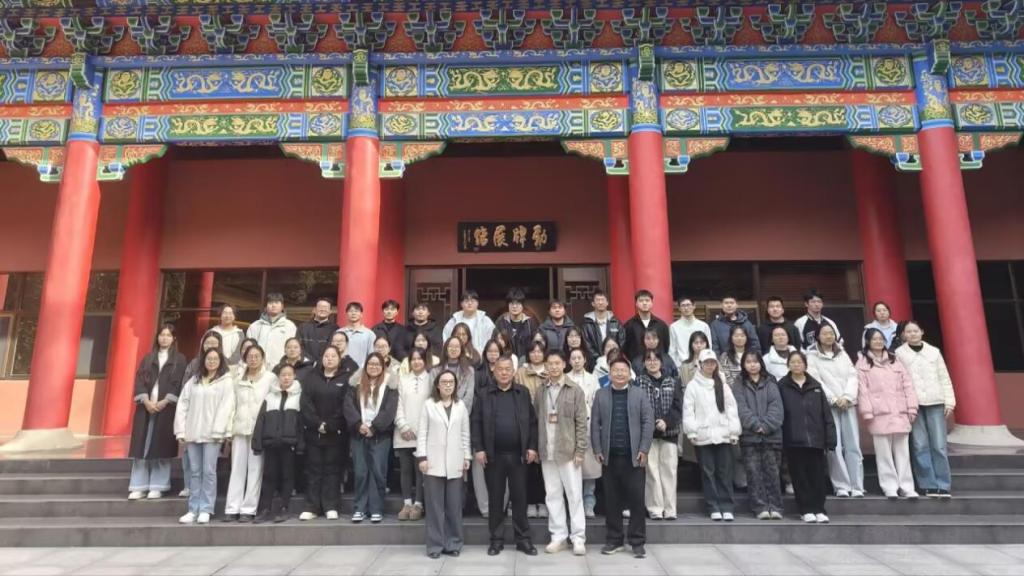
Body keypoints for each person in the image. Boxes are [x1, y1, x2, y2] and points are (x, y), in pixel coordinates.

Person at [472, 355, 539, 557]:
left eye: (507, 369)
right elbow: (476, 422)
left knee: (520, 498)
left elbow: (532, 422)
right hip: (493, 457)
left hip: (518, 456)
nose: (503, 372)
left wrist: (532, 447)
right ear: (493, 370)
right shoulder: (484, 394)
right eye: (500, 369)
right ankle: (496, 540)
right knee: (495, 499)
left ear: (513, 371)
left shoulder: (522, 392)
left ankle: (523, 540)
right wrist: (479, 448)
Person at [591, 354, 654, 558]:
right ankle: (614, 540)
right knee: (612, 501)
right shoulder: (601, 394)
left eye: (623, 370)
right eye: (615, 370)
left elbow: (648, 422)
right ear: (609, 373)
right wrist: (597, 449)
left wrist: (644, 449)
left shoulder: (639, 394)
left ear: (629, 373)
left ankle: (637, 541)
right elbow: (595, 424)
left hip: (634, 458)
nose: (619, 373)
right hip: (609, 457)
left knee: (636, 501)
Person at [535, 351, 588, 556]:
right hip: (547, 450)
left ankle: (578, 538)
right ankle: (558, 536)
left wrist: (580, 450)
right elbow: (537, 418)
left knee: (574, 495)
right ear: (546, 366)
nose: (554, 367)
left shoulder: (575, 390)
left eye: (557, 363)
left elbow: (581, 423)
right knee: (552, 495)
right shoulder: (541, 390)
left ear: (564, 364)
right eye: (550, 364)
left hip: (568, 451)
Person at [895, 320, 955, 498]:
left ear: (922, 332)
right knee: (919, 445)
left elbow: (944, 377)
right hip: (914, 404)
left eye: (915, 330)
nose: (912, 334)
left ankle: (943, 484)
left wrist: (949, 401)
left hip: (936, 401)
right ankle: (928, 483)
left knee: (939, 445)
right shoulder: (899, 354)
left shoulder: (934, 352)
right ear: (904, 335)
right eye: (908, 331)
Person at [174, 348, 234, 524]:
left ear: (220, 362)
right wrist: (181, 430)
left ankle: (206, 508)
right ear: (203, 361)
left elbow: (227, 407)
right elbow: (183, 405)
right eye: (209, 358)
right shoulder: (194, 381)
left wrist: (219, 430)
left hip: (212, 435)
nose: (212, 361)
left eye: (215, 359)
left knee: (209, 472)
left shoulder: (225, 381)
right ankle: (193, 509)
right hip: (193, 432)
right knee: (195, 472)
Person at [128, 324, 187, 501]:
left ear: (174, 339)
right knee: (142, 448)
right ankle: (139, 486)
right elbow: (139, 381)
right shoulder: (148, 358)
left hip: (166, 408)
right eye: (162, 335)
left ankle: (158, 485)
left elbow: (179, 384)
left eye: (168, 335)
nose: (164, 338)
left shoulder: (179, 360)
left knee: (160, 447)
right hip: (145, 408)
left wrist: (165, 401)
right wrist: (146, 401)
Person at [858, 328, 919, 499]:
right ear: (868, 342)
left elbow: (908, 385)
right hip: (879, 413)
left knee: (903, 452)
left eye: (881, 339)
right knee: (883, 453)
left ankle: (907, 486)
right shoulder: (862, 363)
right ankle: (889, 486)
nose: (878, 342)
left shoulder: (895, 360)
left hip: (899, 411)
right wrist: (867, 411)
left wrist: (912, 407)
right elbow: (862, 390)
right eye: (874, 339)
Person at [418, 370, 472, 559]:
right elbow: (422, 433)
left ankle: (453, 543)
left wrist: (467, 457)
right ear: (437, 385)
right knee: (434, 507)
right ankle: (435, 546)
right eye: (444, 382)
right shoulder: (429, 405)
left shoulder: (460, 406)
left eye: (451, 382)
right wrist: (422, 457)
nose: (448, 385)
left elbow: (465, 434)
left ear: (455, 385)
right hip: (433, 461)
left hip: (455, 461)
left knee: (454, 507)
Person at [778, 351, 837, 523]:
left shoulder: (816, 386)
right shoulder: (782, 386)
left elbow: (826, 414)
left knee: (817, 476)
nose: (796, 365)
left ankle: (819, 509)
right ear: (788, 365)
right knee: (800, 477)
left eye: (799, 362)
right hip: (793, 440)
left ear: (805, 364)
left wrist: (830, 438)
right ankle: (805, 510)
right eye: (793, 362)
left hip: (815, 439)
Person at [807, 323, 864, 498]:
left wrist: (847, 397)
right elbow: (816, 380)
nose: (828, 336)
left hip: (847, 404)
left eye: (831, 333)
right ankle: (841, 485)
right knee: (834, 446)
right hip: (829, 406)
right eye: (824, 333)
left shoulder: (843, 354)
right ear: (818, 336)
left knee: (853, 445)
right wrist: (833, 399)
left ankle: (857, 485)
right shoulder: (812, 357)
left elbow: (853, 376)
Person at [683, 349, 741, 522]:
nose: (710, 366)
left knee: (725, 472)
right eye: (706, 363)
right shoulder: (693, 386)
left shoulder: (722, 384)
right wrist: (691, 431)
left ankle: (727, 506)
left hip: (723, 434)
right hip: (703, 435)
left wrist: (734, 431)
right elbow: (688, 410)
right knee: (708, 472)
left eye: (712, 363)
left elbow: (731, 409)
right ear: (700, 365)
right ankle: (713, 506)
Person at [344, 352, 398, 523]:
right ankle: (360, 508)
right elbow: (348, 406)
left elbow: (390, 409)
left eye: (377, 364)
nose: (373, 367)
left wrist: (374, 428)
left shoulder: (390, 385)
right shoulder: (355, 383)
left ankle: (376, 508)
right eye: (370, 364)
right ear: (365, 366)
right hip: (359, 434)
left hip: (380, 435)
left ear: (383, 367)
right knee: (360, 472)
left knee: (378, 472)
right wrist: (358, 424)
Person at [224, 345, 274, 522]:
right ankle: (232, 507)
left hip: (258, 430)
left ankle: (248, 508)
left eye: (256, 356)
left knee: (255, 470)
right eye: (250, 356)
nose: (253, 359)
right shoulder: (237, 378)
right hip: (239, 428)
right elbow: (231, 404)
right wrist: (228, 429)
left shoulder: (270, 378)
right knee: (237, 469)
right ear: (245, 358)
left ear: (262, 358)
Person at [733, 350, 784, 520]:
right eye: (748, 362)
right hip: (750, 436)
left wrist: (766, 426)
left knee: (773, 473)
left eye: (755, 361)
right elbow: (740, 407)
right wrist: (755, 425)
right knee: (754, 473)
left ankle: (775, 506)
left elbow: (776, 407)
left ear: (761, 363)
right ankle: (760, 507)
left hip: (771, 436)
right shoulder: (739, 383)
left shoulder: (770, 381)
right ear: (743, 364)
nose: (752, 365)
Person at [299, 346, 348, 521]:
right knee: (314, 469)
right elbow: (305, 402)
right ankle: (312, 507)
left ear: (339, 359)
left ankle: (330, 506)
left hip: (335, 433)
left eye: (333, 356)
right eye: (326, 356)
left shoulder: (345, 378)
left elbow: (345, 405)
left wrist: (330, 425)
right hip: (314, 432)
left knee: (332, 470)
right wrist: (317, 423)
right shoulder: (312, 377)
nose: (329, 359)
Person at [252, 363, 304, 524]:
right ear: (278, 377)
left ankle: (284, 508)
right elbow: (261, 420)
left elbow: (301, 424)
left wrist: (301, 444)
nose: (286, 378)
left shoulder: (299, 396)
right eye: (283, 375)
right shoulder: (270, 396)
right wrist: (257, 442)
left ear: (294, 376)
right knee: (269, 476)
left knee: (287, 476)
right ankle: (264, 508)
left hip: (289, 443)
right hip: (271, 443)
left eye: (289, 375)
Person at [635, 350, 683, 521]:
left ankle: (670, 509)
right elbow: (637, 407)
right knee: (652, 472)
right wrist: (652, 423)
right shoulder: (638, 382)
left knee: (669, 472)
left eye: (656, 359)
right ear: (644, 363)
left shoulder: (672, 381)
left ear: (662, 362)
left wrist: (666, 422)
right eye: (648, 359)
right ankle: (655, 508)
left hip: (669, 433)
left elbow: (678, 406)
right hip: (648, 435)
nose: (652, 362)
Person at [395, 348, 433, 521]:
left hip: (424, 432)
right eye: (413, 359)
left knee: (420, 470)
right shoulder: (402, 379)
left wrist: (423, 430)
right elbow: (398, 404)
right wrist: (403, 426)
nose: (417, 362)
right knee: (405, 469)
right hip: (404, 431)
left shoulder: (431, 379)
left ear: (425, 360)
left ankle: (418, 504)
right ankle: (407, 503)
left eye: (420, 358)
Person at [566, 347, 601, 518]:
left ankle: (589, 504)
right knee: (572, 469)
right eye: (573, 358)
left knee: (589, 470)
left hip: (588, 426)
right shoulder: (566, 378)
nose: (576, 361)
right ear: (569, 361)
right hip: (569, 428)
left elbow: (597, 402)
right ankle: (574, 505)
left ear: (585, 359)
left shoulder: (592, 379)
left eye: (579, 357)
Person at [515, 340, 549, 518]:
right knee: (527, 464)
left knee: (544, 466)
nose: (536, 354)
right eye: (533, 351)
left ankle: (542, 502)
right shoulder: (521, 372)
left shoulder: (550, 370)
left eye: (539, 351)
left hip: (547, 423)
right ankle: (529, 502)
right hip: (525, 422)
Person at [247, 292, 297, 369]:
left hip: (281, 369)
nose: (273, 305)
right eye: (270, 303)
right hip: (258, 368)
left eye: (276, 303)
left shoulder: (290, 326)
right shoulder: (255, 326)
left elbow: (293, 350)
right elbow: (248, 349)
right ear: (266, 306)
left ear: (282, 306)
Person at [581, 290, 624, 372]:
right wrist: (600, 359)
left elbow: (621, 341)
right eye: (597, 300)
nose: (600, 302)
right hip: (594, 364)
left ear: (607, 303)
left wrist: (614, 355)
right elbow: (587, 345)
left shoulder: (616, 322)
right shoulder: (586, 324)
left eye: (603, 300)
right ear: (593, 303)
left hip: (615, 361)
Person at [622, 290, 670, 361]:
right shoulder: (629, 325)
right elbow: (625, 347)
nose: (644, 303)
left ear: (652, 303)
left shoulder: (661, 325)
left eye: (647, 300)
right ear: (636, 304)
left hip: (657, 363)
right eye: (641, 301)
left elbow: (666, 346)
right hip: (636, 364)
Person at [669, 296, 712, 372]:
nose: (686, 308)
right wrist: (678, 367)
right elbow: (672, 351)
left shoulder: (703, 326)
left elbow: (709, 347)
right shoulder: (674, 327)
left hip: (702, 366)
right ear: (679, 308)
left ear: (694, 306)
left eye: (688, 305)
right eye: (683, 305)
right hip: (682, 367)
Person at [433, 336, 476, 409]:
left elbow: (469, 396)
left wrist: (458, 411)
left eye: (457, 347)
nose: (453, 349)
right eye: (451, 346)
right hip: (439, 411)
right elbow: (434, 394)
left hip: (461, 411)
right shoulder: (435, 371)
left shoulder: (469, 371)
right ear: (446, 349)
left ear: (461, 349)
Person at [493, 288, 536, 359]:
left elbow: (535, 344)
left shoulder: (530, 323)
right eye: (511, 303)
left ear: (523, 305)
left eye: (518, 303)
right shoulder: (501, 322)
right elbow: (494, 343)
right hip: (506, 360)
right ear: (508, 305)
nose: (514, 306)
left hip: (525, 361)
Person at [338, 302, 376, 369]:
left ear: (361, 314)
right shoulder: (339, 333)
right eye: (351, 311)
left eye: (356, 311)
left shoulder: (369, 334)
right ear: (346, 314)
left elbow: (372, 355)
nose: (353, 313)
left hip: (361, 372)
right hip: (341, 371)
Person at [298, 298, 336, 363]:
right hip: (305, 364)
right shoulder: (303, 327)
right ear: (314, 310)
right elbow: (298, 345)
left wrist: (321, 361)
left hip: (326, 364)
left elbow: (334, 348)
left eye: (326, 307)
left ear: (330, 311)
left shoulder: (335, 329)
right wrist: (309, 360)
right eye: (320, 307)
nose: (323, 309)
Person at [719, 325, 752, 389]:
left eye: (742, 336)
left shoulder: (753, 354)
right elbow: (727, 378)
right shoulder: (725, 356)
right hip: (733, 390)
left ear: (746, 337)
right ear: (731, 338)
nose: (739, 338)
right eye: (736, 336)